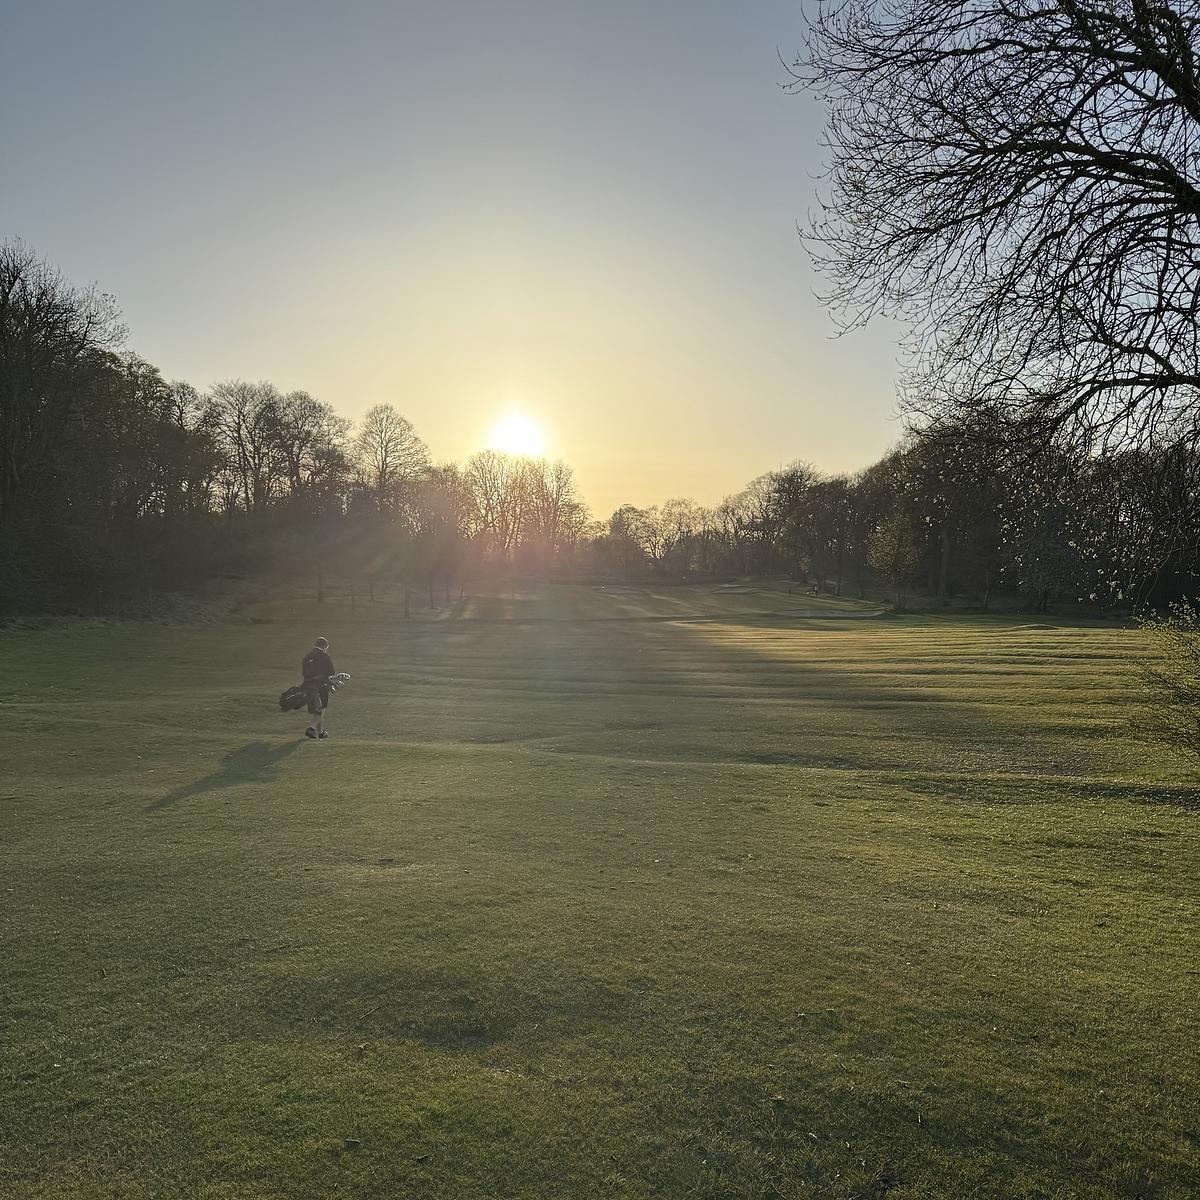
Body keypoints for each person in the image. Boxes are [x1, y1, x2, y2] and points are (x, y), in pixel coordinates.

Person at [301, 636, 335, 740]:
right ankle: (311, 728)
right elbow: (331, 673)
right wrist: (331, 684)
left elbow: (305, 673)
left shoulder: (307, 656)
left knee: (318, 710)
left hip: (308, 686)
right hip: (321, 686)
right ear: (324, 646)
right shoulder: (324, 656)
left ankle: (321, 733)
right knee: (322, 708)